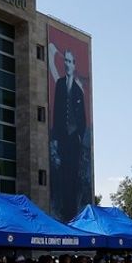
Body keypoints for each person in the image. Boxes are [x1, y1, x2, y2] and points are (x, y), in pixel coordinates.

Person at [49, 48, 88, 217]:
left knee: (73, 174)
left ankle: (72, 210)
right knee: (61, 173)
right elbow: (56, 111)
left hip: (74, 139)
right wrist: (55, 138)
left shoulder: (79, 90)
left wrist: (79, 136)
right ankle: (63, 209)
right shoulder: (59, 84)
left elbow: (83, 119)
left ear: (74, 64)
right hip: (62, 137)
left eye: (70, 61)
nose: (67, 64)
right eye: (65, 60)